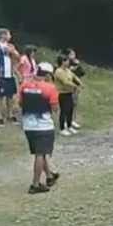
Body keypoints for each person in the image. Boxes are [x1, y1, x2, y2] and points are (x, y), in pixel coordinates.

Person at [18, 62, 60, 194]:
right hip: (43, 125)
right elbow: (54, 108)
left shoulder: (24, 85)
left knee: (39, 152)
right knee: (41, 154)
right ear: (47, 75)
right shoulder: (50, 88)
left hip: (28, 125)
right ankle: (35, 184)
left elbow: (20, 103)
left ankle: (49, 176)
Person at [0, 28, 19, 124]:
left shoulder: (10, 46)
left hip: (9, 74)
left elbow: (18, 58)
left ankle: (10, 115)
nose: (10, 36)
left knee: (11, 96)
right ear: (2, 35)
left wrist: (12, 52)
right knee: (0, 97)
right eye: (8, 34)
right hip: (0, 74)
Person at [53, 54, 82, 136]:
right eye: (66, 61)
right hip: (62, 93)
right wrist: (75, 86)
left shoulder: (67, 70)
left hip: (69, 92)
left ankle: (69, 126)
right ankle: (62, 128)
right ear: (62, 62)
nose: (68, 62)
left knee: (70, 110)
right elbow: (65, 81)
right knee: (64, 110)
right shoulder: (59, 71)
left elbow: (74, 76)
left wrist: (79, 82)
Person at [65, 48, 85, 129]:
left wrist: (78, 66)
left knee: (75, 103)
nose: (73, 56)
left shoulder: (76, 63)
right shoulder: (65, 64)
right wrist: (70, 69)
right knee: (68, 104)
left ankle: (73, 120)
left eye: (74, 54)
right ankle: (66, 121)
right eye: (71, 54)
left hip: (76, 86)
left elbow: (82, 73)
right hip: (67, 86)